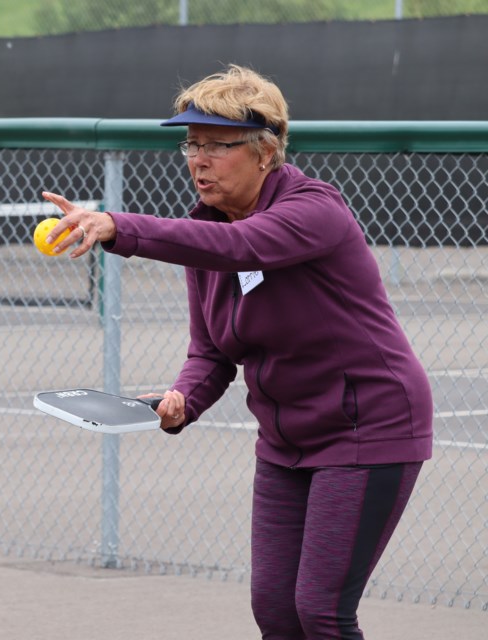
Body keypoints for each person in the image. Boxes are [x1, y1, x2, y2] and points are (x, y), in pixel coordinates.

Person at [42, 64, 433, 639]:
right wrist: (181, 402)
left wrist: (116, 226)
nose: (198, 160)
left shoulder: (313, 210)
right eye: (191, 145)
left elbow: (241, 246)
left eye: (216, 146)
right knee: (275, 612)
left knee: (321, 613)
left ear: (265, 151)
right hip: (284, 444)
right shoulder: (208, 232)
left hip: (367, 430)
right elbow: (212, 351)